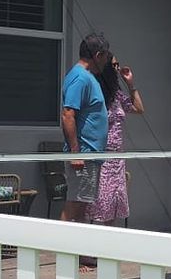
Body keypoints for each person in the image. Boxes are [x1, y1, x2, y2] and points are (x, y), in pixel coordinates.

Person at [88, 51, 144, 226]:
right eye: (114, 65)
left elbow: (138, 109)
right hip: (101, 156)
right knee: (97, 206)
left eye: (117, 65)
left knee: (113, 205)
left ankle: (106, 249)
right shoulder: (96, 92)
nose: (117, 68)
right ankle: (88, 252)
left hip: (117, 159)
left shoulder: (116, 94)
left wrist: (130, 83)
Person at [59, 35, 110, 222]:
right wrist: (76, 153)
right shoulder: (80, 78)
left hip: (90, 154)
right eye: (105, 57)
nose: (106, 62)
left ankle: (81, 252)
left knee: (82, 206)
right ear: (98, 55)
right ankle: (58, 249)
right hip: (83, 154)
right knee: (74, 203)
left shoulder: (87, 78)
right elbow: (68, 114)